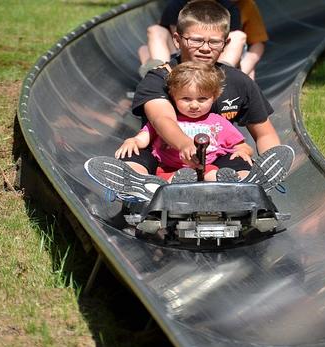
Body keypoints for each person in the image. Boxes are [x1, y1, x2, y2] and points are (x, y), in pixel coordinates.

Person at [85, 0, 293, 202]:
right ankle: (143, 186)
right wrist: (185, 145)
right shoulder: (159, 78)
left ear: (225, 44)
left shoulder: (239, 81)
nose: (205, 48)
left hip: (215, 158)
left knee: (239, 161)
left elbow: (264, 133)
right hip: (163, 155)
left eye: (214, 42)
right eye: (195, 40)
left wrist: (267, 162)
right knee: (134, 154)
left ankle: (244, 185)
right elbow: (162, 119)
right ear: (177, 40)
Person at [116, 61, 253, 183]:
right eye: (186, 99)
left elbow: (242, 146)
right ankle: (139, 181)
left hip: (207, 168)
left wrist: (243, 151)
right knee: (138, 157)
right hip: (169, 169)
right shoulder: (170, 121)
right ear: (173, 96)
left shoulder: (218, 122)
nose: (194, 105)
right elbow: (142, 139)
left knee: (222, 168)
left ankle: (240, 181)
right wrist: (132, 141)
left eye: (202, 99)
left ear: (214, 97)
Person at [139, 0, 268, 80]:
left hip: (216, 56)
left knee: (239, 38)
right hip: (184, 52)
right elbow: (174, 34)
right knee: (148, 41)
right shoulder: (176, 5)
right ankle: (161, 73)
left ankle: (221, 75)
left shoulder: (230, 8)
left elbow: (249, 42)